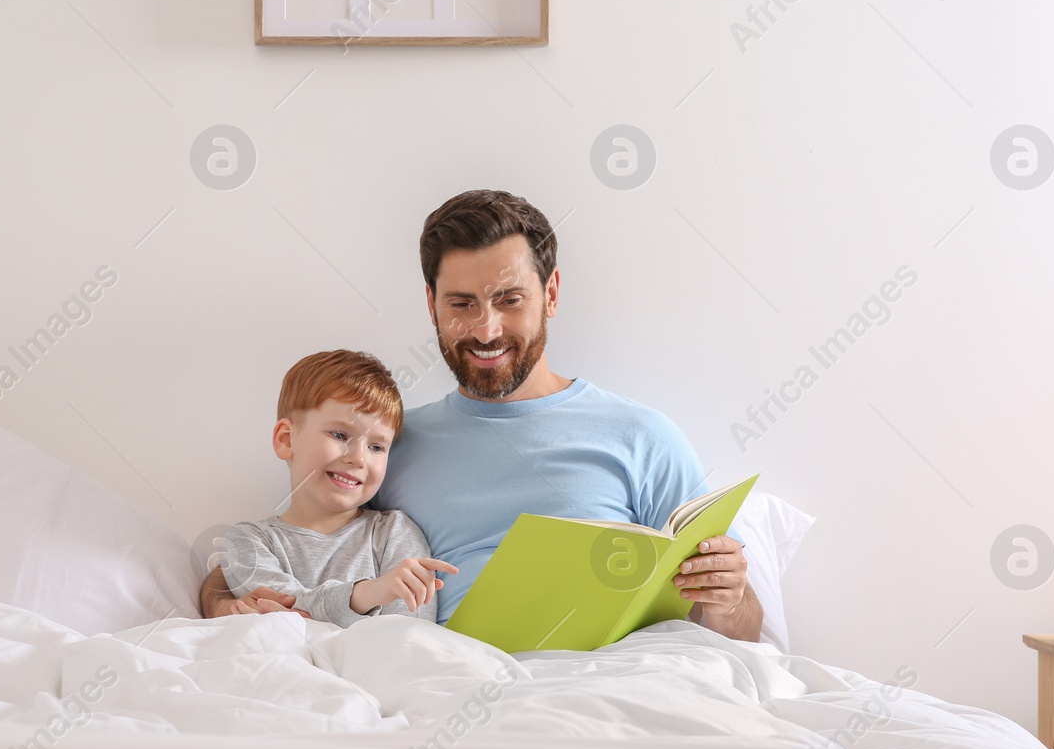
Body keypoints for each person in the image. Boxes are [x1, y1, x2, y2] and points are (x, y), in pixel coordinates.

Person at [201, 191, 759, 644]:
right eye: (461, 304)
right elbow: (285, 550)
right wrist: (224, 604)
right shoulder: (387, 445)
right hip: (453, 688)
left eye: (510, 300)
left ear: (552, 293)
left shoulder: (642, 436)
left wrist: (728, 598)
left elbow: (744, 628)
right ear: (432, 304)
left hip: (608, 684)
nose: (486, 330)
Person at [210, 349, 457, 623]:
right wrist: (368, 593)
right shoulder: (247, 542)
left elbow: (409, 632)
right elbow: (291, 614)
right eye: (340, 434)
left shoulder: (395, 534)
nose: (358, 458)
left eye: (376, 446)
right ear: (286, 439)